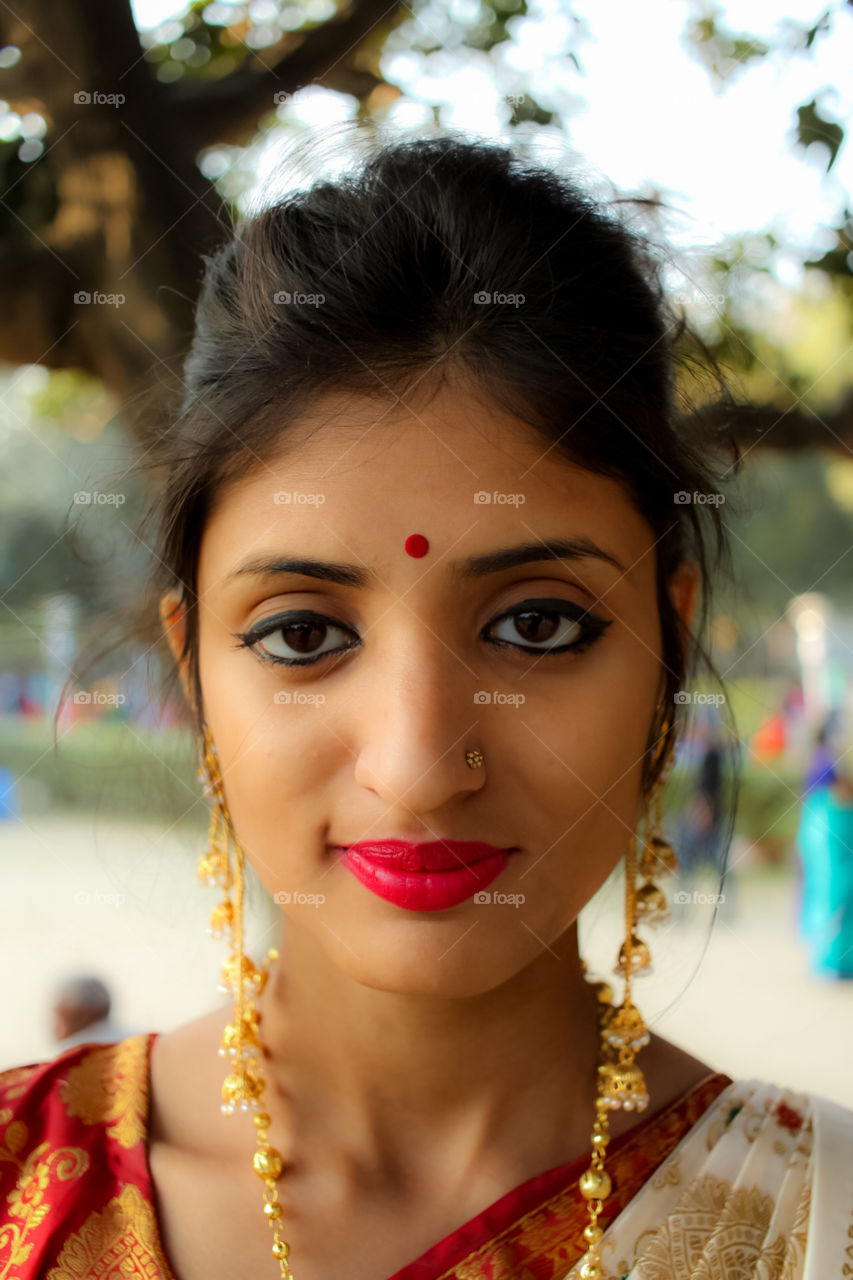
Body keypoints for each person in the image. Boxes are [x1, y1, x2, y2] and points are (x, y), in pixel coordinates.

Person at [2, 128, 851, 1280]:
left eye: (538, 623)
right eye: (302, 633)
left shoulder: (819, 1225)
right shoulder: (22, 1190)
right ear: (193, 668)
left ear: (670, 641)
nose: (413, 763)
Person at [796, 717, 853, 978]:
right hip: (830, 829)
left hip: (819, 830)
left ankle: (832, 959)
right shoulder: (826, 761)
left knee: (826, 891)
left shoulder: (818, 759)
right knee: (833, 893)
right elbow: (838, 793)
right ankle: (831, 960)